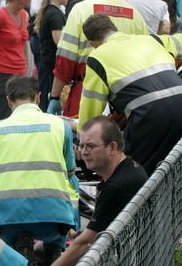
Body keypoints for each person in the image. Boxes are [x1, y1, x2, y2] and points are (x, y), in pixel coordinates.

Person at [24, 116, 148, 266]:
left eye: (90, 146)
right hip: (130, 259)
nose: (83, 152)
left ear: (112, 147)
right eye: (81, 146)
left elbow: (86, 243)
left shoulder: (117, 186)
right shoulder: (128, 168)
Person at [0, 76, 78, 265]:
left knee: (5, 242)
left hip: (2, 221)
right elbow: (70, 173)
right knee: (73, 183)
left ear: (8, 101)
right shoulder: (60, 127)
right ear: (38, 98)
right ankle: (55, 247)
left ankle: (14, 257)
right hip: (53, 219)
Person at [78, 13, 182, 174]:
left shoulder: (97, 56)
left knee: (133, 172)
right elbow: (178, 41)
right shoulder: (152, 39)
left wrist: (83, 139)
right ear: (113, 28)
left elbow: (91, 108)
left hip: (149, 116)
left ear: (94, 42)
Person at [47, 0, 147, 118]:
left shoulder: (80, 10)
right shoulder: (136, 15)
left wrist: (54, 96)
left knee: (84, 139)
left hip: (86, 93)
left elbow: (65, 58)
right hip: (125, 98)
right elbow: (144, 61)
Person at [34, 0, 69, 111]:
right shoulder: (55, 14)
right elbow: (59, 42)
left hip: (47, 60)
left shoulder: (50, 11)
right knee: (49, 94)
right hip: (52, 62)